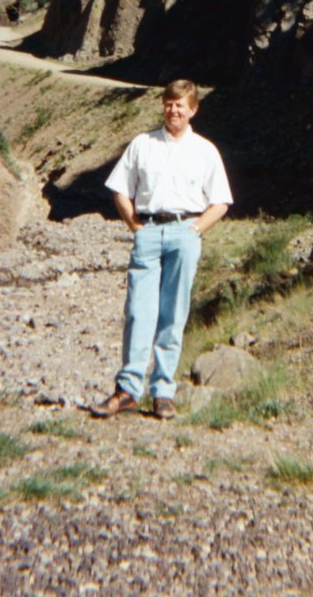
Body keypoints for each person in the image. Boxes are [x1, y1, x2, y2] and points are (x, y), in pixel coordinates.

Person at [91, 79, 232, 420]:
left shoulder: (205, 150)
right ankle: (127, 390)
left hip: (185, 232)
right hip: (149, 232)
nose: (173, 110)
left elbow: (222, 202)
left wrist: (196, 229)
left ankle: (163, 393)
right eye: (169, 104)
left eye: (180, 105)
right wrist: (136, 228)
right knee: (139, 311)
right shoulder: (143, 144)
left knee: (174, 313)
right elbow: (121, 190)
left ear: (193, 109)